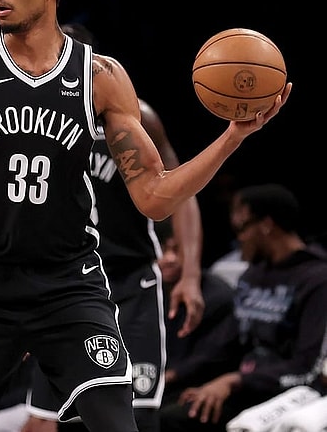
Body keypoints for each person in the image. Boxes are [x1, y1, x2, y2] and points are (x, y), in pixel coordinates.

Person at [0, 0, 292, 430]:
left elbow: (155, 197)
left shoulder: (101, 76)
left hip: (69, 287)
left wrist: (231, 139)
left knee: (119, 424)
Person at [20, 22, 206, 432]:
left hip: (130, 285)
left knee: (136, 416)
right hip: (63, 290)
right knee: (46, 421)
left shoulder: (136, 118)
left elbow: (182, 191)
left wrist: (190, 273)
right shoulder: (26, 123)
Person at [159, 183, 327, 431]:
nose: (239, 239)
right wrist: (174, 375)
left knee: (180, 421)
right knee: (160, 409)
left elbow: (306, 366)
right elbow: (225, 344)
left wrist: (233, 381)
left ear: (266, 225)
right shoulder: (253, 276)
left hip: (290, 391)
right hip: (244, 385)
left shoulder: (317, 279)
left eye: (242, 228)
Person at [154, 218, 237, 408]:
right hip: (145, 380)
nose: (169, 259)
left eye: (177, 250)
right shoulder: (140, 291)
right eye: (161, 250)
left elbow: (213, 355)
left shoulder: (217, 296)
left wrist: (167, 377)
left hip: (191, 384)